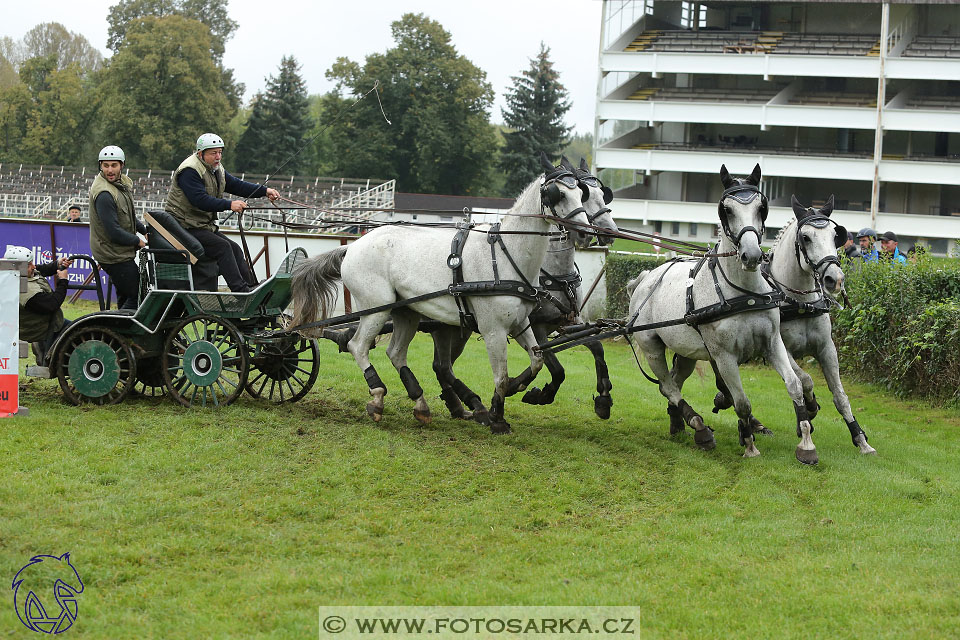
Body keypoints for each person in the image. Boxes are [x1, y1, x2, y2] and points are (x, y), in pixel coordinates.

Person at [163, 133, 280, 292]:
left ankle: (252, 288)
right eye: (213, 153)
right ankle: (240, 290)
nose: (218, 157)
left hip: (200, 226)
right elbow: (200, 200)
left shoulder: (216, 169)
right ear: (200, 154)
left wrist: (265, 191)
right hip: (183, 227)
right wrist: (229, 204)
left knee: (235, 248)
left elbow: (237, 185)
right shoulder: (189, 171)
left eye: (220, 152)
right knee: (223, 247)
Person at [89, 145, 147, 310]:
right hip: (112, 254)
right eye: (105, 165)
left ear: (122, 165)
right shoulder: (104, 194)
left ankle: (120, 334)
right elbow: (113, 231)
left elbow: (127, 216)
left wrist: (145, 231)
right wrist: (138, 241)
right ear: (100, 166)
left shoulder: (120, 185)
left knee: (126, 294)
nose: (110, 170)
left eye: (114, 165)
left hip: (119, 252)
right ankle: (114, 331)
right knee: (138, 295)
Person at [4, 245, 73, 363]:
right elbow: (52, 304)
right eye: (30, 264)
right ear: (19, 268)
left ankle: (44, 346)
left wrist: (56, 264)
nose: (34, 266)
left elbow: (39, 270)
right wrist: (63, 281)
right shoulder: (26, 292)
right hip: (43, 327)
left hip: (46, 321)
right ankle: (44, 344)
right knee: (78, 335)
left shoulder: (16, 275)